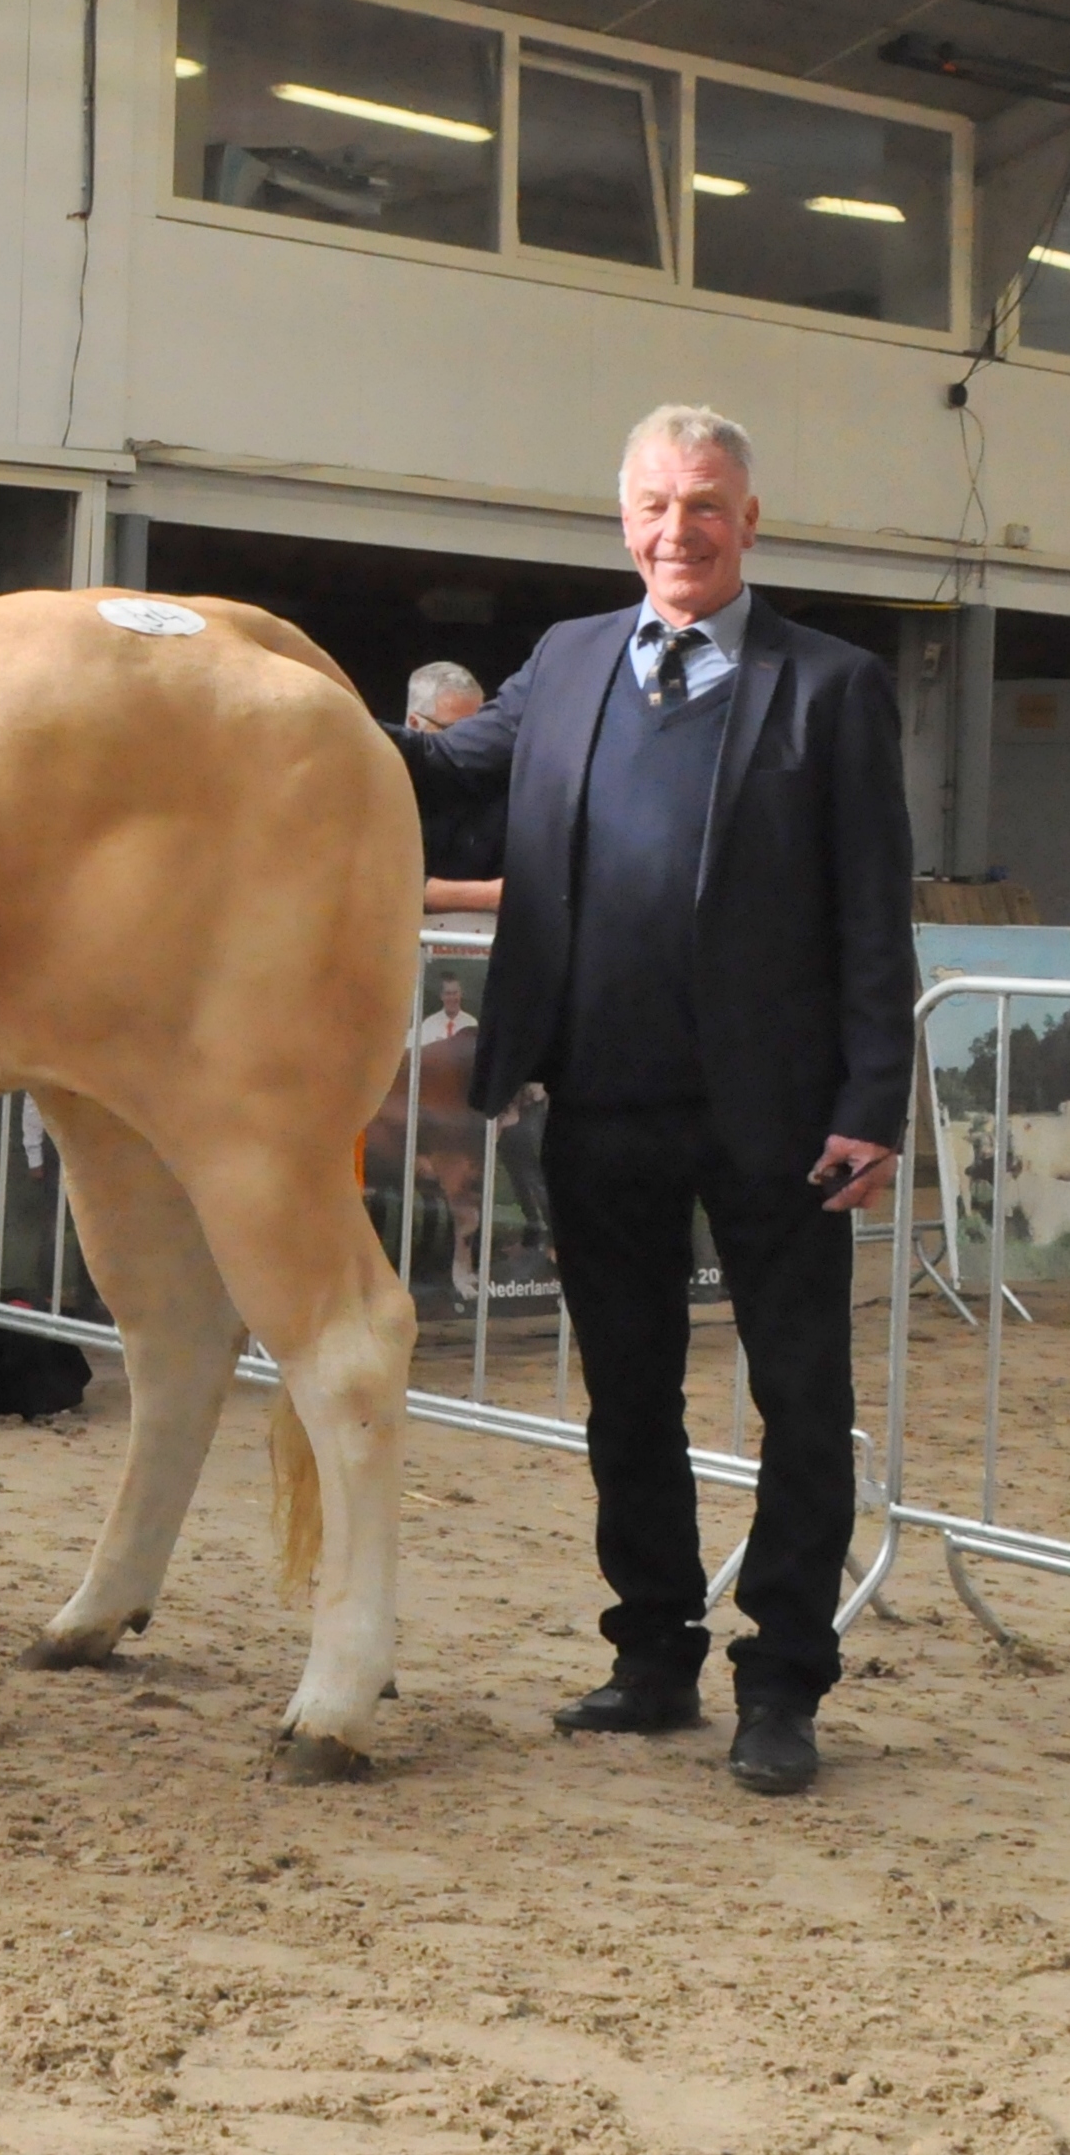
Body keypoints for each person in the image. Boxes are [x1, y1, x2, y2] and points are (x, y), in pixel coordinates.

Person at [391, 403, 914, 1797]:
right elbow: (444, 772)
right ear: (618, 518)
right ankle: (651, 1655)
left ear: (748, 521)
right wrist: (293, 713)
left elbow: (872, 910)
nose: (673, 530)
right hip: (599, 1100)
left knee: (799, 1401)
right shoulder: (563, 662)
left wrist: (873, 1099)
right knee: (625, 1399)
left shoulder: (830, 684)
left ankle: (781, 1681)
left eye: (702, 505)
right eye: (651, 505)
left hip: (782, 1117)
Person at [406, 660, 505, 914]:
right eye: (457, 731)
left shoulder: (493, 785)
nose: (473, 744)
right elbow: (376, 883)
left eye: (480, 730)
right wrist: (488, 896)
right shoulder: (380, 785)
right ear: (414, 724)